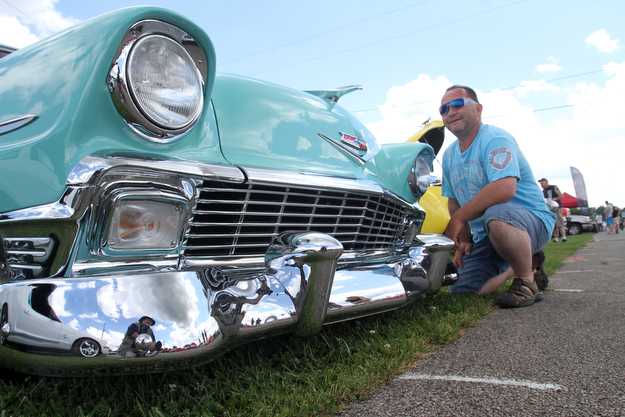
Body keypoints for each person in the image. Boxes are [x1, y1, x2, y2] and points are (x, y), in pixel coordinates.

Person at [440, 85, 556, 308]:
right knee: (462, 290)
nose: (450, 111)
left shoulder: (495, 138)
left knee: (496, 212)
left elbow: (504, 189)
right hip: (488, 234)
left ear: (478, 109)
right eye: (444, 109)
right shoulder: (449, 155)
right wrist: (464, 239)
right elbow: (453, 200)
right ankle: (522, 263)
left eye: (457, 104)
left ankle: (526, 281)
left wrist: (458, 220)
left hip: (530, 223)